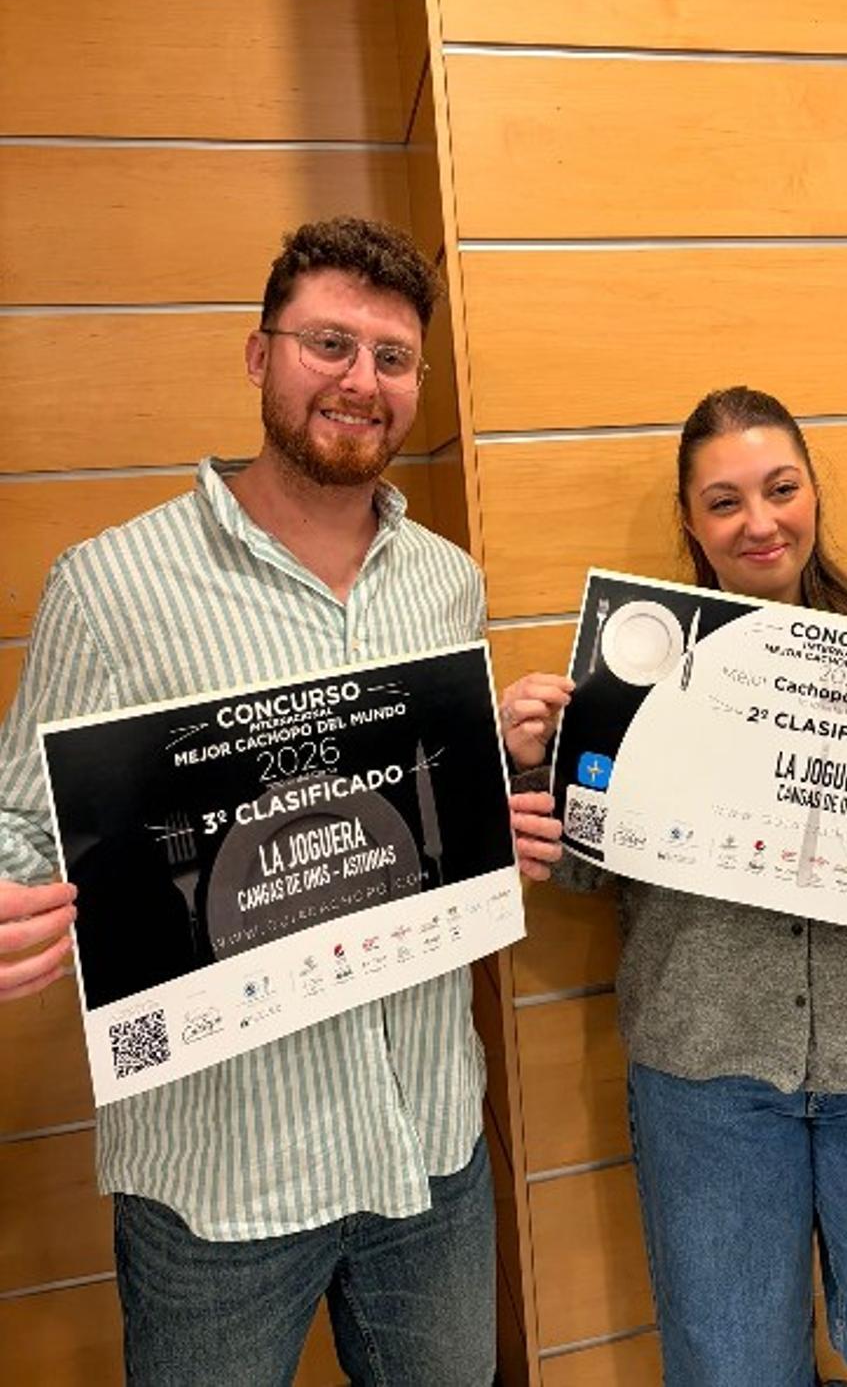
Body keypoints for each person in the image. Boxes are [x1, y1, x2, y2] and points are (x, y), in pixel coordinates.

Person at [0, 217, 562, 1387]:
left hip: (430, 1146)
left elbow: (428, 830)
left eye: (394, 358)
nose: (362, 381)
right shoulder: (109, 586)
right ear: (259, 357)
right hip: (219, 1177)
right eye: (329, 344)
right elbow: (21, 822)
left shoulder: (446, 582)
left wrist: (493, 792)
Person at [499, 385, 847, 1387]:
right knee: (734, 1368)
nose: (760, 520)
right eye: (724, 500)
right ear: (691, 523)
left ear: (814, 494)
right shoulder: (636, 666)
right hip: (708, 1080)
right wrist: (530, 768)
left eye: (781, 487)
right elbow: (581, 862)